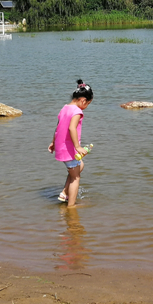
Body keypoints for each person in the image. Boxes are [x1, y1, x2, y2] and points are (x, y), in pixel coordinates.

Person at [48, 79, 94, 208]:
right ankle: (71, 206)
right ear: (83, 100)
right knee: (75, 178)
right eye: (88, 104)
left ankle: (64, 193)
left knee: (80, 166)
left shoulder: (65, 108)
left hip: (61, 146)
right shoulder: (77, 112)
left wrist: (53, 143)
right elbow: (71, 128)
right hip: (69, 149)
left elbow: (58, 128)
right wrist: (78, 147)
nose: (86, 107)